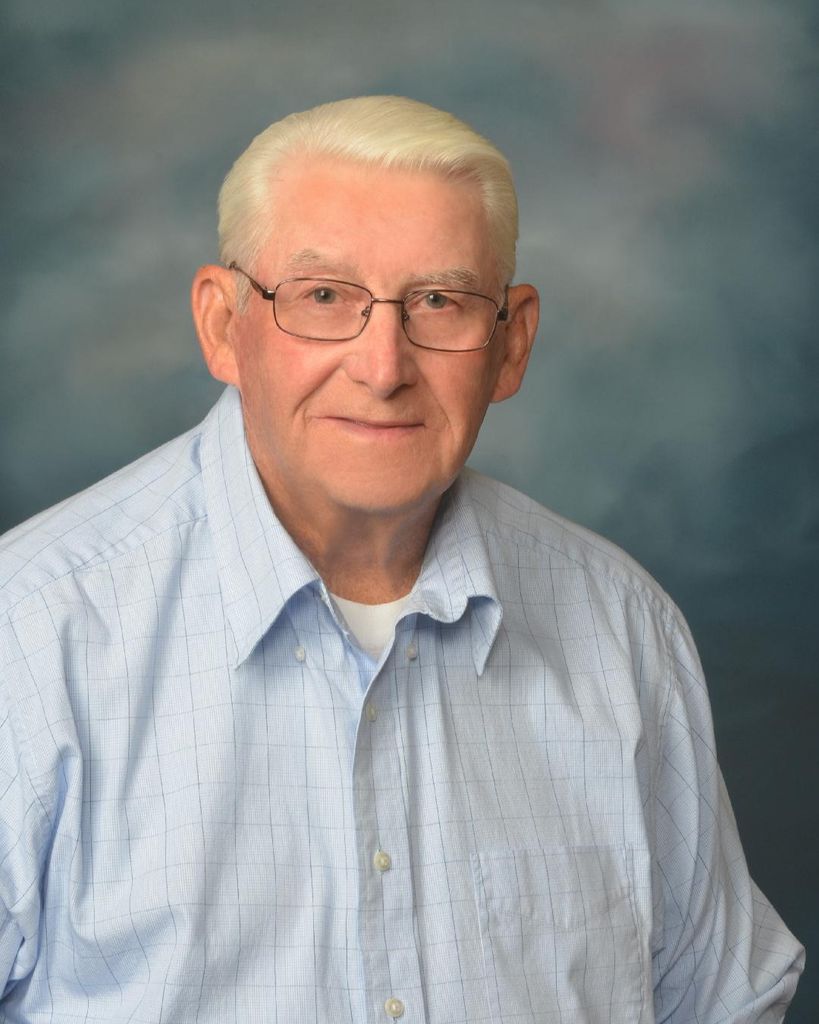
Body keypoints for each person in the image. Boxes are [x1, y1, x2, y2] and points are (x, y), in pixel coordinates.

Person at [0, 96, 804, 1023]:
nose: (382, 368)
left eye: (438, 302)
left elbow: (723, 1003)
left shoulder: (621, 627)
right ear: (223, 325)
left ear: (511, 344)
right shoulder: (32, 633)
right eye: (323, 297)